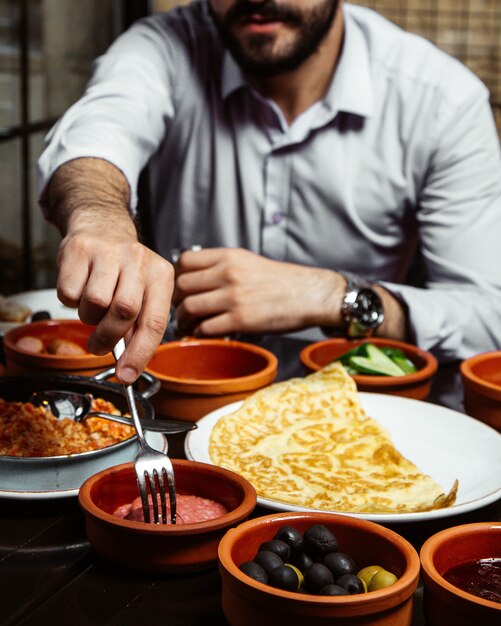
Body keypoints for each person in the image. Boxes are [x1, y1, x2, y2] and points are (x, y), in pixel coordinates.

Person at [38, 0, 501, 384]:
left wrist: (333, 296)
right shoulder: (164, 47)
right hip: (181, 399)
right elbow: (99, 131)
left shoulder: (441, 99)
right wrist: (100, 218)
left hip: (357, 421)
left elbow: (487, 315)